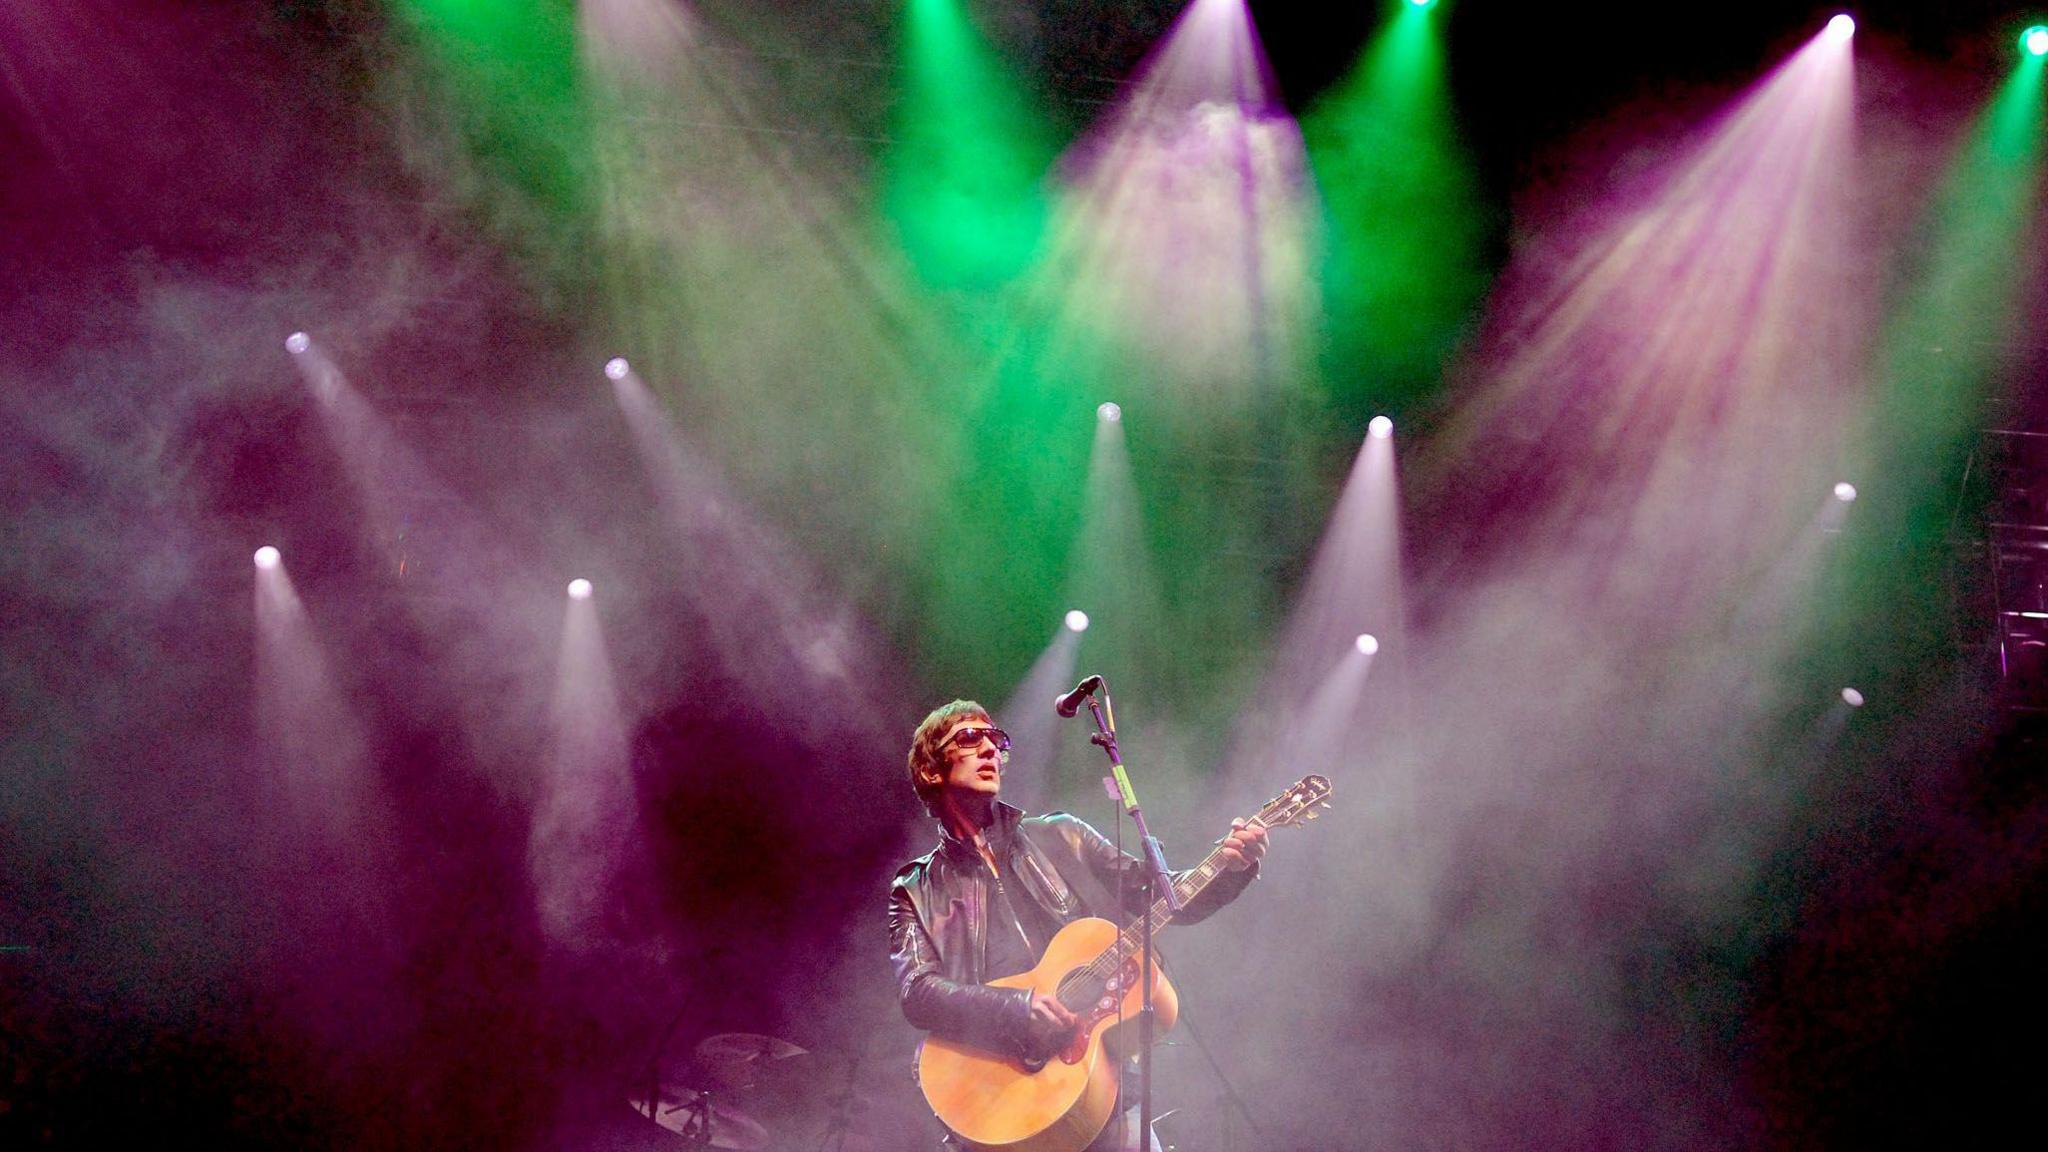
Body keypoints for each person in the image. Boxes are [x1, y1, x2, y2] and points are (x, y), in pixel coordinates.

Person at [888, 699, 1267, 1152]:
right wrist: (1016, 1006)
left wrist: (1231, 869)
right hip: (993, 1100)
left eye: (996, 739)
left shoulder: (1063, 835)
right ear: (931, 770)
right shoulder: (915, 887)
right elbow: (917, 992)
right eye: (970, 738)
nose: (990, 749)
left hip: (1096, 1089)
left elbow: (1167, 899)